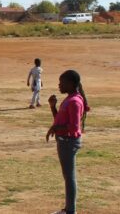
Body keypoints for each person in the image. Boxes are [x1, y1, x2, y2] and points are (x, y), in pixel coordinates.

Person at [46, 70, 89, 214]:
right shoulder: (70, 98)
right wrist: (53, 107)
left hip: (68, 142)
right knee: (67, 176)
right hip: (65, 141)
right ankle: (68, 209)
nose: (59, 85)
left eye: (61, 82)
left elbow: (74, 127)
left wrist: (55, 128)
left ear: (70, 84)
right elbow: (60, 120)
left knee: (69, 177)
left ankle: (71, 211)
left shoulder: (75, 101)